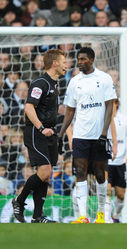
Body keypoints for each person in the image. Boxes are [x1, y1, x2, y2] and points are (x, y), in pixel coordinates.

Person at [58, 47, 117, 224]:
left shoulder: (104, 78)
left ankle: (100, 213)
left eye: (83, 59)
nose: (80, 62)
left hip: (99, 135)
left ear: (91, 60)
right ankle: (82, 216)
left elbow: (109, 106)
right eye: (78, 59)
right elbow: (69, 110)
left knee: (100, 173)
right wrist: (60, 134)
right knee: (81, 172)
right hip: (81, 135)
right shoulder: (74, 81)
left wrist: (104, 133)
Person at [12, 49, 66, 223]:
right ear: (55, 63)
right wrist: (41, 128)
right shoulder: (40, 83)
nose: (66, 66)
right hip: (37, 132)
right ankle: (19, 201)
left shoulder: (55, 83)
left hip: (50, 133)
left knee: (46, 175)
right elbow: (29, 108)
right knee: (44, 172)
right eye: (64, 62)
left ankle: (37, 216)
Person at [105, 99, 127, 223]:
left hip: (120, 162)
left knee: (121, 194)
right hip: (106, 160)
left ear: (117, 104)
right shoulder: (103, 118)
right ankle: (106, 218)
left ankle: (116, 215)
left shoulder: (125, 119)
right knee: (106, 189)